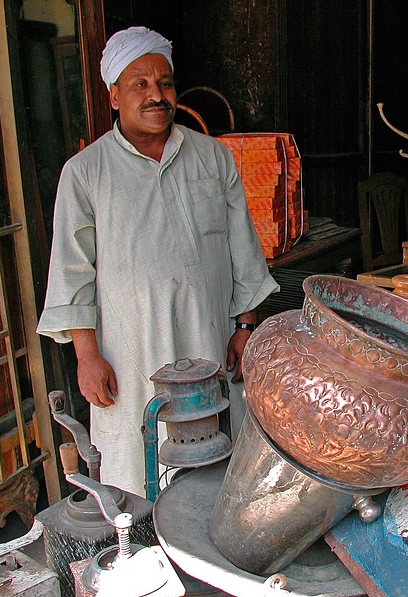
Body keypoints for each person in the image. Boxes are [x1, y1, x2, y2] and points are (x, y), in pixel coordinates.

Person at [37, 27, 279, 496]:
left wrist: (245, 327)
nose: (156, 95)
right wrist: (86, 356)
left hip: (207, 342)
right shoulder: (85, 173)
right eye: (140, 84)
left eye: (164, 83)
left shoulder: (213, 158)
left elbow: (243, 251)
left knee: (216, 468)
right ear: (114, 95)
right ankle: (146, 552)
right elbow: (72, 273)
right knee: (137, 467)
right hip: (129, 357)